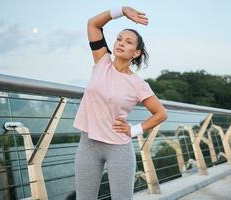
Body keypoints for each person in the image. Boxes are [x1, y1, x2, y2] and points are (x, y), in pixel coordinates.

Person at [73, 6, 168, 200]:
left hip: (118, 148)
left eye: (128, 41)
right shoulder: (102, 61)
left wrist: (134, 130)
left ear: (136, 52)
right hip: (88, 143)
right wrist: (122, 11)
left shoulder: (138, 84)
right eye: (119, 39)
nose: (121, 43)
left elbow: (161, 113)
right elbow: (93, 24)